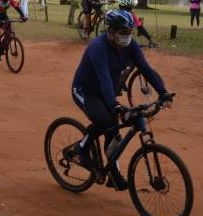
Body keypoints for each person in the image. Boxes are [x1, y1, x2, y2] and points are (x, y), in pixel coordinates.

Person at [71, 10, 171, 191]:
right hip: (86, 91)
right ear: (110, 31)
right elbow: (104, 79)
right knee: (103, 121)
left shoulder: (130, 46)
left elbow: (145, 69)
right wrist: (114, 105)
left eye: (129, 33)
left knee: (113, 131)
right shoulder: (98, 47)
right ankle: (81, 149)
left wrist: (163, 92)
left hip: (106, 92)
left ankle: (113, 174)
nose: (127, 37)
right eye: (122, 33)